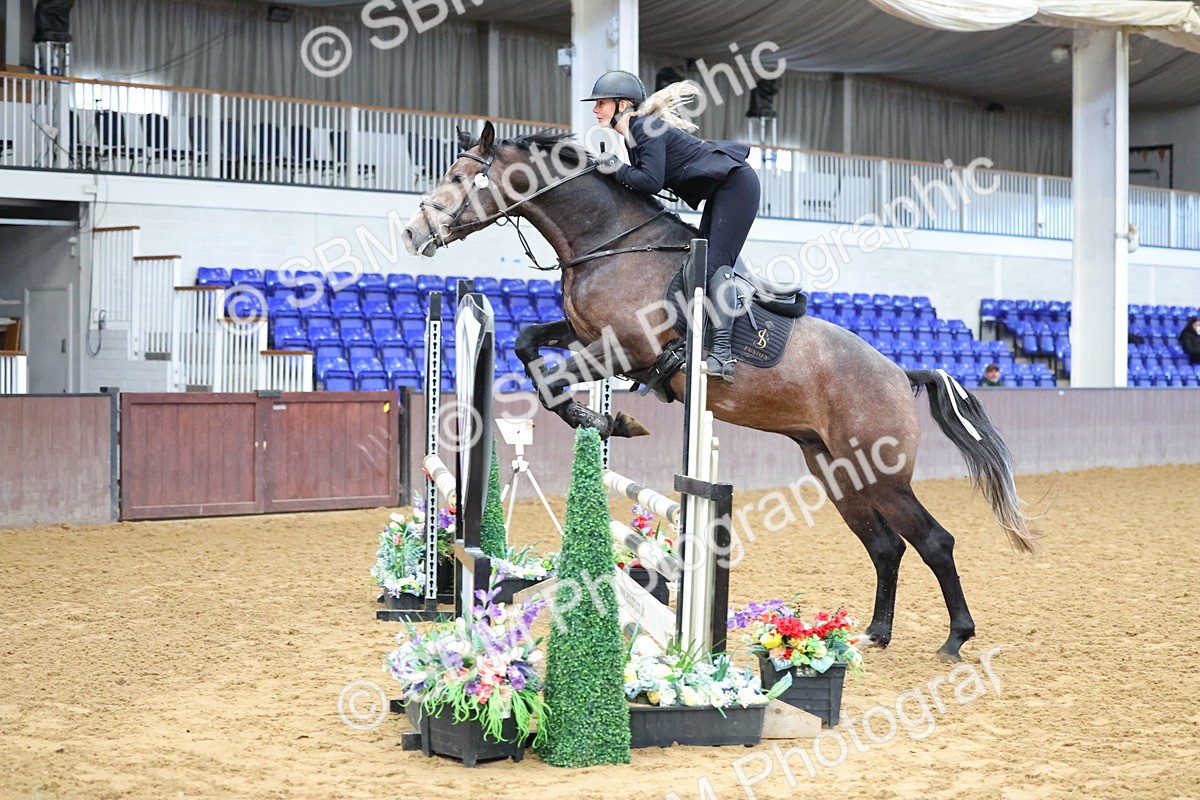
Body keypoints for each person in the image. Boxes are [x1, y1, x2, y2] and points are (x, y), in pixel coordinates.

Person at [585, 69, 759, 383]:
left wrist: (614, 167)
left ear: (622, 105)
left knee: (715, 266)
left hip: (737, 186)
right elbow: (641, 181)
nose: (595, 110)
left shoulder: (644, 128)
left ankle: (723, 355)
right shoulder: (634, 136)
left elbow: (649, 181)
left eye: (601, 103)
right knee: (699, 262)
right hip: (722, 191)